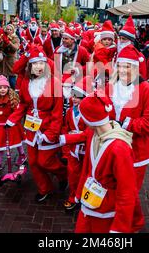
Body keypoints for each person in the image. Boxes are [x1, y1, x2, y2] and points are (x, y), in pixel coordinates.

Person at [61, 92, 138, 233]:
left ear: (89, 120)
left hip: (106, 209)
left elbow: (127, 191)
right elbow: (88, 167)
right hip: (89, 201)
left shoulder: (119, 149)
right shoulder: (94, 133)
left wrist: (119, 228)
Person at [108, 45, 149, 232]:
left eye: (127, 66)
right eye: (120, 66)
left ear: (136, 68)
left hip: (137, 152)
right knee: (121, 189)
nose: (122, 70)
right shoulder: (111, 86)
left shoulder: (147, 90)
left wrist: (125, 124)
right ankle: (135, 220)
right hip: (113, 148)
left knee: (128, 192)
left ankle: (127, 226)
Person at [5, 47, 67, 203]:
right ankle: (44, 188)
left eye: (42, 63)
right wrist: (12, 119)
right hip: (31, 127)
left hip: (48, 128)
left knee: (45, 161)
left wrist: (51, 134)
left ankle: (62, 174)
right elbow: (23, 105)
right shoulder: (26, 81)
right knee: (33, 162)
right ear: (30, 66)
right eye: (35, 63)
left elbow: (58, 113)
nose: (39, 66)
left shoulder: (55, 83)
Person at [60, 77, 90, 211]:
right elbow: (66, 128)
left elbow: (90, 132)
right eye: (73, 96)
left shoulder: (90, 113)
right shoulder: (69, 111)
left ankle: (84, 196)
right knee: (72, 174)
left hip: (86, 149)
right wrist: (66, 150)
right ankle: (73, 196)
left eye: (78, 97)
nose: (74, 99)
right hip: (73, 149)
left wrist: (74, 136)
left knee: (87, 174)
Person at [0, 75, 26, 173]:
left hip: (11, 125)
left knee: (17, 142)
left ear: (8, 88)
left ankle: (22, 155)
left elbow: (18, 112)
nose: (2, 89)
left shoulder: (12, 100)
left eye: (4, 87)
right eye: (0, 88)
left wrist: (13, 120)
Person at [0, 24, 20, 89]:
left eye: (10, 29)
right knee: (1, 80)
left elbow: (15, 48)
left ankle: (14, 93)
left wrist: (8, 43)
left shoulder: (15, 38)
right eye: (7, 29)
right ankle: (3, 94)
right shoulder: (2, 36)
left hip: (10, 60)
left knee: (12, 80)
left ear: (13, 30)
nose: (9, 31)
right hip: (2, 61)